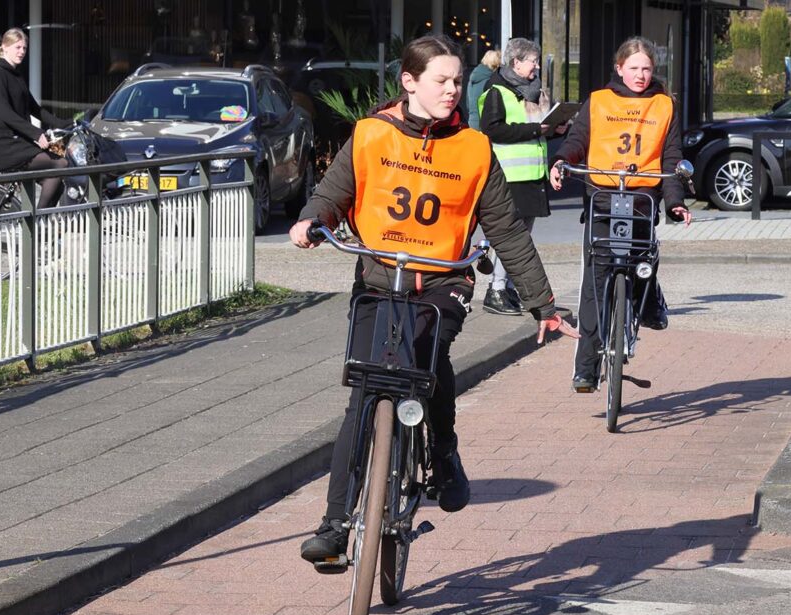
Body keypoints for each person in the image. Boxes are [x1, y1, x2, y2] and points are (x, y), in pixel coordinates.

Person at [289, 35, 578, 570]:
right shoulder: (372, 134)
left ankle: (443, 453)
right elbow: (334, 192)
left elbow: (507, 231)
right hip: (381, 276)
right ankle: (333, 527)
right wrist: (313, 220)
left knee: (430, 358)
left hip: (444, 280)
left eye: (455, 80)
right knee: (365, 389)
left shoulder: (472, 148)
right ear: (409, 81)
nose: (453, 90)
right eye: (441, 80)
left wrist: (543, 305)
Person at [548, 36, 691, 393]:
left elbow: (671, 157)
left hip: (642, 196)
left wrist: (675, 201)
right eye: (634, 68)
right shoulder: (598, 101)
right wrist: (562, 161)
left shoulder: (664, 105)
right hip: (602, 196)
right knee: (594, 285)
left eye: (647, 69)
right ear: (619, 69)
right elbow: (578, 139)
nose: (641, 75)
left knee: (644, 259)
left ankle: (649, 299)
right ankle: (586, 368)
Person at [477, 37, 566, 315]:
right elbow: (492, 129)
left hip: (530, 175)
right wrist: (537, 131)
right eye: (533, 61)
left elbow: (535, 127)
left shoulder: (532, 90)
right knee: (514, 237)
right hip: (508, 176)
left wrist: (554, 129)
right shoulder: (496, 90)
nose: (537, 66)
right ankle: (497, 290)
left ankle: (509, 288)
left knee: (522, 236)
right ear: (516, 63)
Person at [0, 28, 70, 210]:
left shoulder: (16, 76)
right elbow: (4, 112)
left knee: (56, 178)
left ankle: (41, 223)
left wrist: (64, 123)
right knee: (61, 162)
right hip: (3, 145)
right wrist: (36, 134)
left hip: (19, 142)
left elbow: (35, 109)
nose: (21, 52)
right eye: (17, 47)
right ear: (4, 47)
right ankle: (36, 223)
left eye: (24, 48)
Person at [466, 49, 500, 130]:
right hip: (485, 125)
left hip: (472, 123)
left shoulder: (473, 79)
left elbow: (468, 104)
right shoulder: (490, 81)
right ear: (496, 64)